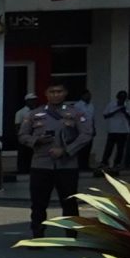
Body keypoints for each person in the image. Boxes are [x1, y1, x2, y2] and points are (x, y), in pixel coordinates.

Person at [17, 82, 91, 237]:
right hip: (41, 164)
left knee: (69, 203)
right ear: (46, 94)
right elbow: (22, 135)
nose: (56, 95)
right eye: (52, 92)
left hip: (67, 165)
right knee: (38, 203)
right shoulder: (34, 114)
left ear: (65, 93)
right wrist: (36, 140)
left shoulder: (75, 113)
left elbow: (86, 134)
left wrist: (66, 150)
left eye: (59, 91)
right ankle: (37, 236)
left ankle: (71, 237)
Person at [103, 90, 130, 169]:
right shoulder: (111, 104)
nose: (122, 100)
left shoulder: (128, 105)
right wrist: (117, 110)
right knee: (109, 148)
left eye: (124, 98)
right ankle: (104, 162)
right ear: (118, 98)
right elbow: (105, 115)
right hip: (112, 130)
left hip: (123, 130)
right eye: (121, 98)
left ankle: (117, 163)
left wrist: (125, 112)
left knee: (120, 149)